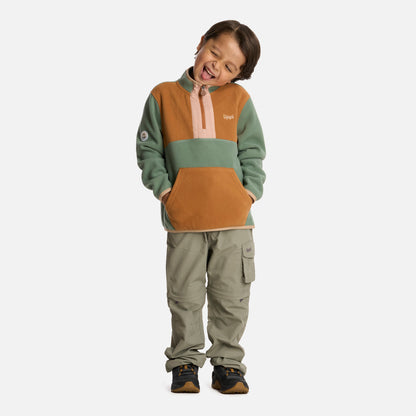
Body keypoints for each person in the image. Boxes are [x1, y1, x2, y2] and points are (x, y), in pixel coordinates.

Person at [136, 20, 266, 394]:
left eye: (230, 67)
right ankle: (185, 363)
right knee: (184, 295)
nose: (216, 66)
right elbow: (148, 150)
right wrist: (166, 192)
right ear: (201, 42)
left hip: (234, 221)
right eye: (214, 53)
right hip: (184, 219)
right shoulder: (162, 95)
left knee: (232, 296)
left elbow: (253, 151)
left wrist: (249, 193)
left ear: (238, 75)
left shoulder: (239, 100)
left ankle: (228, 365)